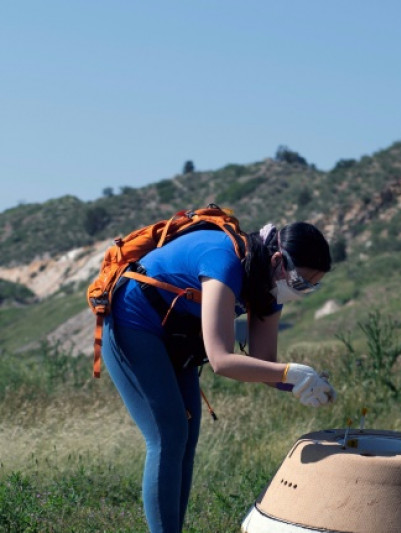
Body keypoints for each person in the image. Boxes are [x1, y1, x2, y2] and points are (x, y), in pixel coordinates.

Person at [101, 221, 335, 533]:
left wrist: (301, 382)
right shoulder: (223, 263)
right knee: (169, 435)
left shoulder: (270, 285)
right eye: (301, 283)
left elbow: (265, 366)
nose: (301, 292)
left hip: (175, 334)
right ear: (279, 261)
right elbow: (222, 361)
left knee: (185, 438)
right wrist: (290, 373)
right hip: (131, 321)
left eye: (311, 287)